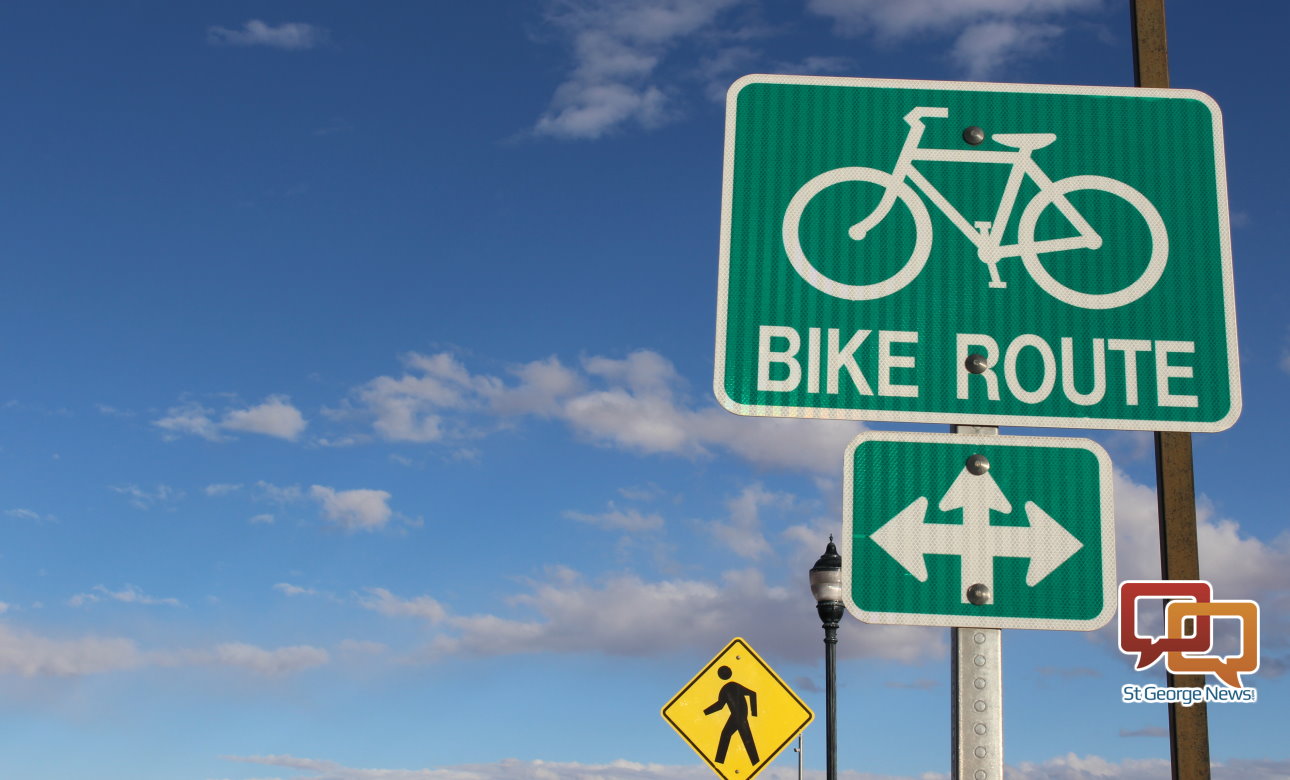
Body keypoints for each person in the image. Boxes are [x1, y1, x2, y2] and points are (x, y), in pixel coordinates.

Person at [704, 665, 759, 765]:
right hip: (737, 715)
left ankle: (720, 761)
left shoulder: (729, 687)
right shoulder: (729, 687)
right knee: (731, 735)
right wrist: (705, 712)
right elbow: (720, 706)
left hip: (740, 715)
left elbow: (752, 694)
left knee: (742, 738)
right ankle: (720, 761)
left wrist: (754, 713)